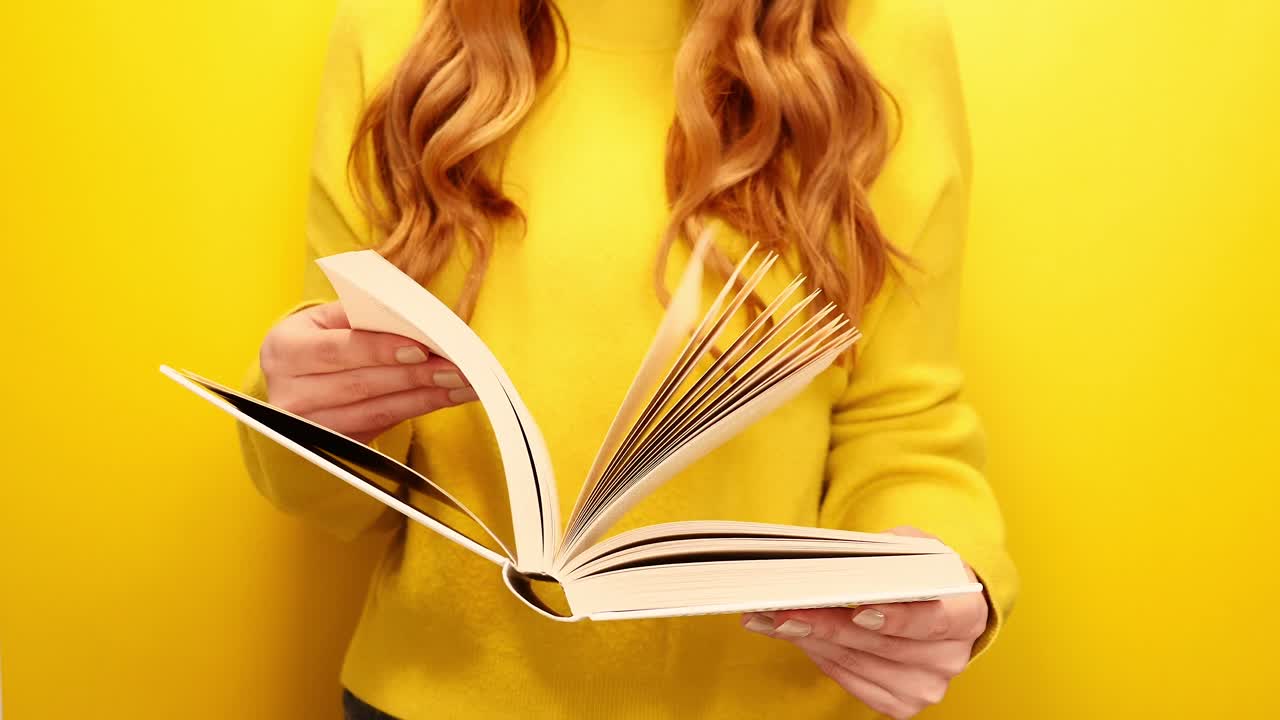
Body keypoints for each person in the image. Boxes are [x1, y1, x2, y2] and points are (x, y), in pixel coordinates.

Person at [239, 1, 1017, 718]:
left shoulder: (883, 38)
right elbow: (343, 487)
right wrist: (308, 412)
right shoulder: (395, 28)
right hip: (427, 698)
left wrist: (941, 579)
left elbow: (903, 423)